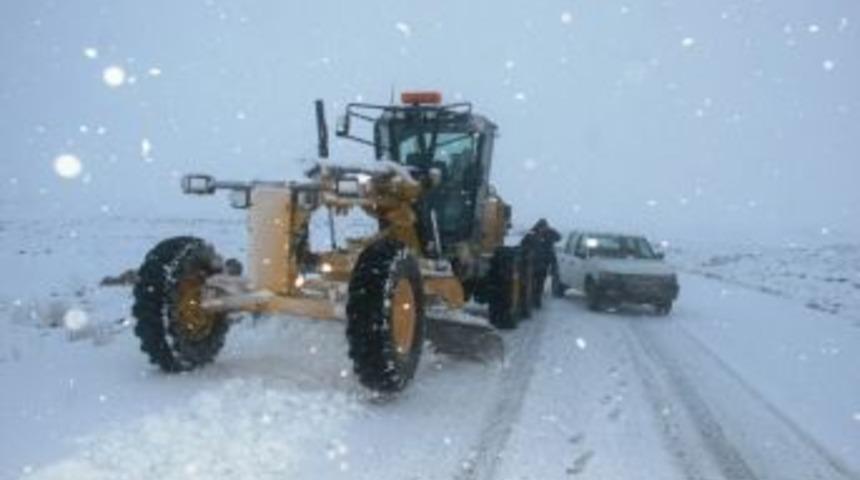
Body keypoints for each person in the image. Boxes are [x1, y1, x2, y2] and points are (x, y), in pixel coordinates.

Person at [520, 218, 561, 307]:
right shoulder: (531, 235)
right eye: (542, 227)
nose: (543, 229)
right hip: (532, 263)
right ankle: (530, 299)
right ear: (538, 227)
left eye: (545, 227)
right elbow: (523, 245)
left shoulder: (549, 235)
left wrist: (550, 231)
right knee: (530, 282)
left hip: (543, 263)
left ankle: (537, 300)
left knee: (540, 282)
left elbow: (558, 237)